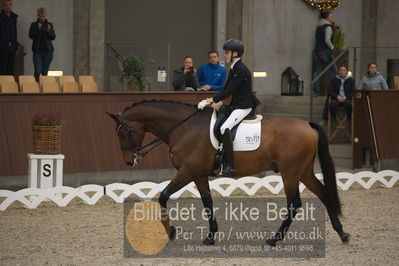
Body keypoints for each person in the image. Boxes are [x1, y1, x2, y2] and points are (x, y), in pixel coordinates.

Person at [197, 39, 260, 176]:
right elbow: (225, 88)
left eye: (227, 53)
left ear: (235, 53)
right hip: (236, 104)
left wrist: (211, 100)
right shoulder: (233, 67)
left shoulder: (241, 69)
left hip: (244, 106)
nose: (224, 55)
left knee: (224, 128)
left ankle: (230, 165)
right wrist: (214, 101)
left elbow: (230, 90)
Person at [312, 11, 337, 96]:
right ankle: (333, 90)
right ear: (326, 18)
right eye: (331, 17)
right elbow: (327, 40)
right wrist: (332, 47)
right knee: (333, 70)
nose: (332, 18)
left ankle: (316, 91)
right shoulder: (328, 27)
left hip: (317, 50)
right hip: (325, 51)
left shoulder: (318, 26)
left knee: (317, 72)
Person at [29, 7, 56, 82]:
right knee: (37, 71)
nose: (42, 18)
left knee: (45, 72)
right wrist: (38, 29)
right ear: (38, 16)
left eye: (44, 16)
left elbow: (53, 37)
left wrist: (48, 30)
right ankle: (36, 87)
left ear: (46, 15)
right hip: (37, 51)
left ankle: (43, 89)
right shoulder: (34, 25)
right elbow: (31, 35)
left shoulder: (49, 25)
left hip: (48, 51)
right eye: (41, 16)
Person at [0, 0, 18, 75]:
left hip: (12, 46)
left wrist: (15, 44)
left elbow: (15, 32)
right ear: (3, 6)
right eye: (6, 5)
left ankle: (9, 85)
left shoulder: (14, 17)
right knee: (2, 69)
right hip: (2, 47)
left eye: (10, 5)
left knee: (11, 69)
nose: (8, 7)